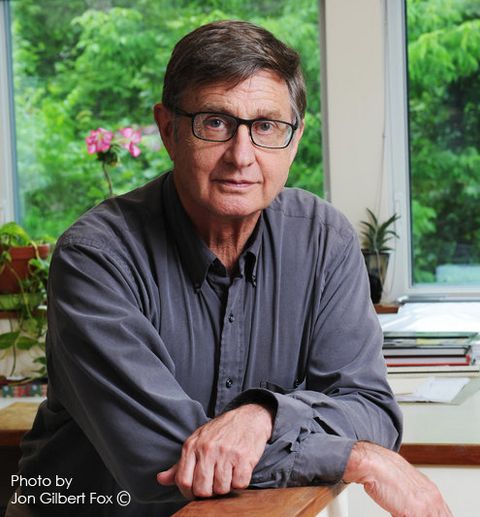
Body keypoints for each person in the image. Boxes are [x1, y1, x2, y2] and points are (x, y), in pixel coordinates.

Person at [8, 20, 451, 517]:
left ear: (295, 139)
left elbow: (370, 410)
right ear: (169, 130)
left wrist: (264, 416)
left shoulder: (324, 241)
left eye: (266, 127)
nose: (242, 156)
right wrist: (355, 456)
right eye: (215, 122)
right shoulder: (96, 257)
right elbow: (172, 458)